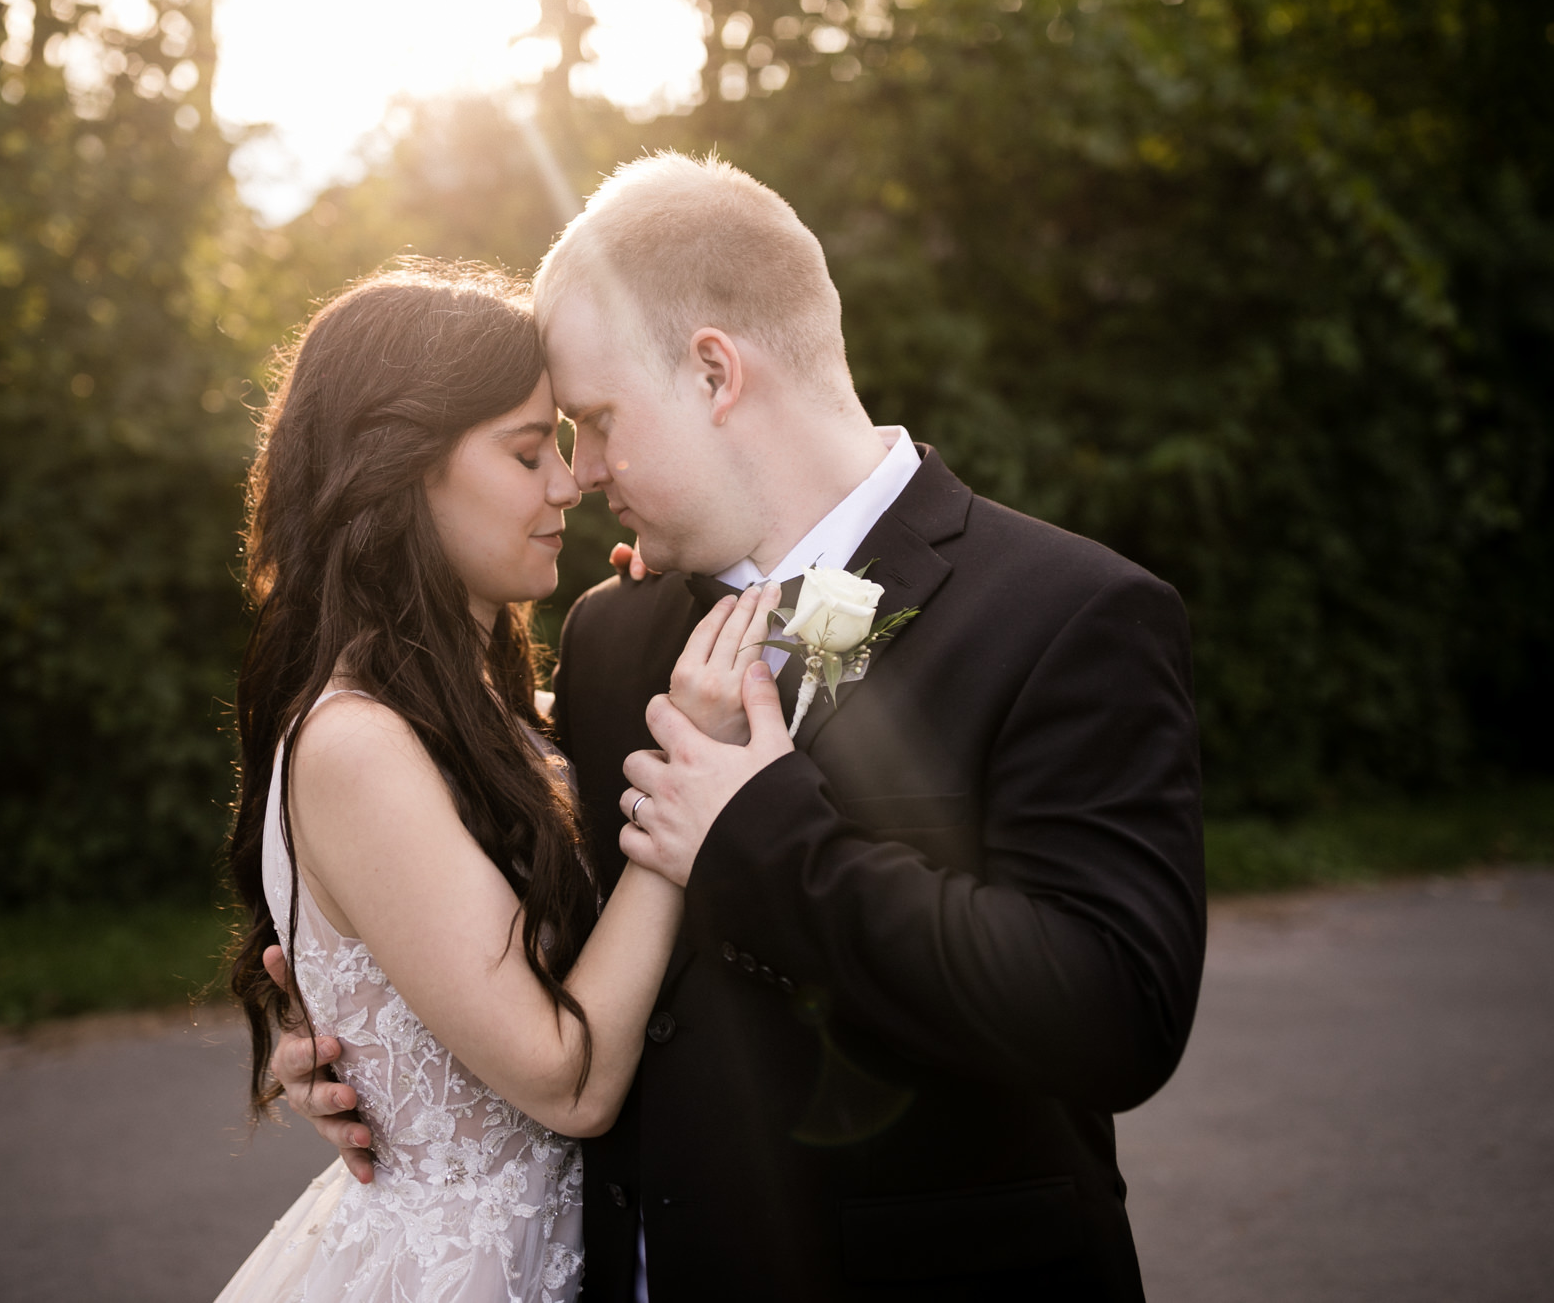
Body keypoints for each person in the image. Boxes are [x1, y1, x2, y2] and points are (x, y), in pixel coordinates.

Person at [273, 155, 1207, 1301]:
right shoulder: (616, 634)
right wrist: (362, 1043)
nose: (586, 474)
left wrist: (766, 836)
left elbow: (1115, 1018)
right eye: (557, 439)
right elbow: (528, 920)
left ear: (714, 371)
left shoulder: (1065, 617)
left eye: (600, 423)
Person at [212, 261, 776, 1303]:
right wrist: (680, 791)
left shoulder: (487, 708)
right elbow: (565, 1081)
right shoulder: (358, 743)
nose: (568, 482)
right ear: (401, 469)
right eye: (528, 453)